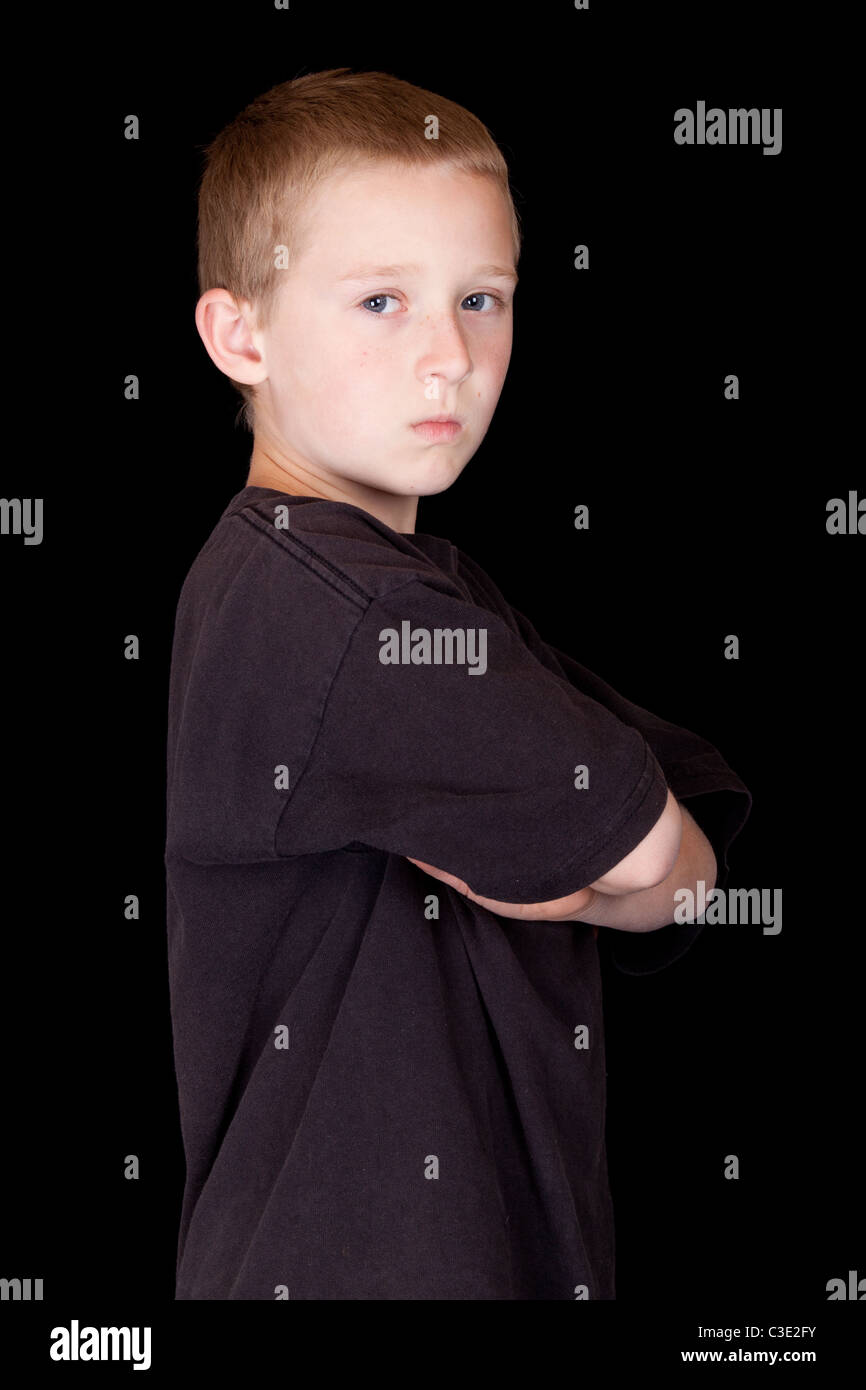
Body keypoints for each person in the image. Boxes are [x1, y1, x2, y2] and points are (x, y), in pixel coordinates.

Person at [165, 67, 752, 1300]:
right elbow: (653, 850)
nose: (448, 356)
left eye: (480, 299)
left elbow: (688, 845)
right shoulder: (344, 612)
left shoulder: (411, 585)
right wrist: (619, 877)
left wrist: (624, 872)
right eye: (380, 300)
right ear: (239, 334)